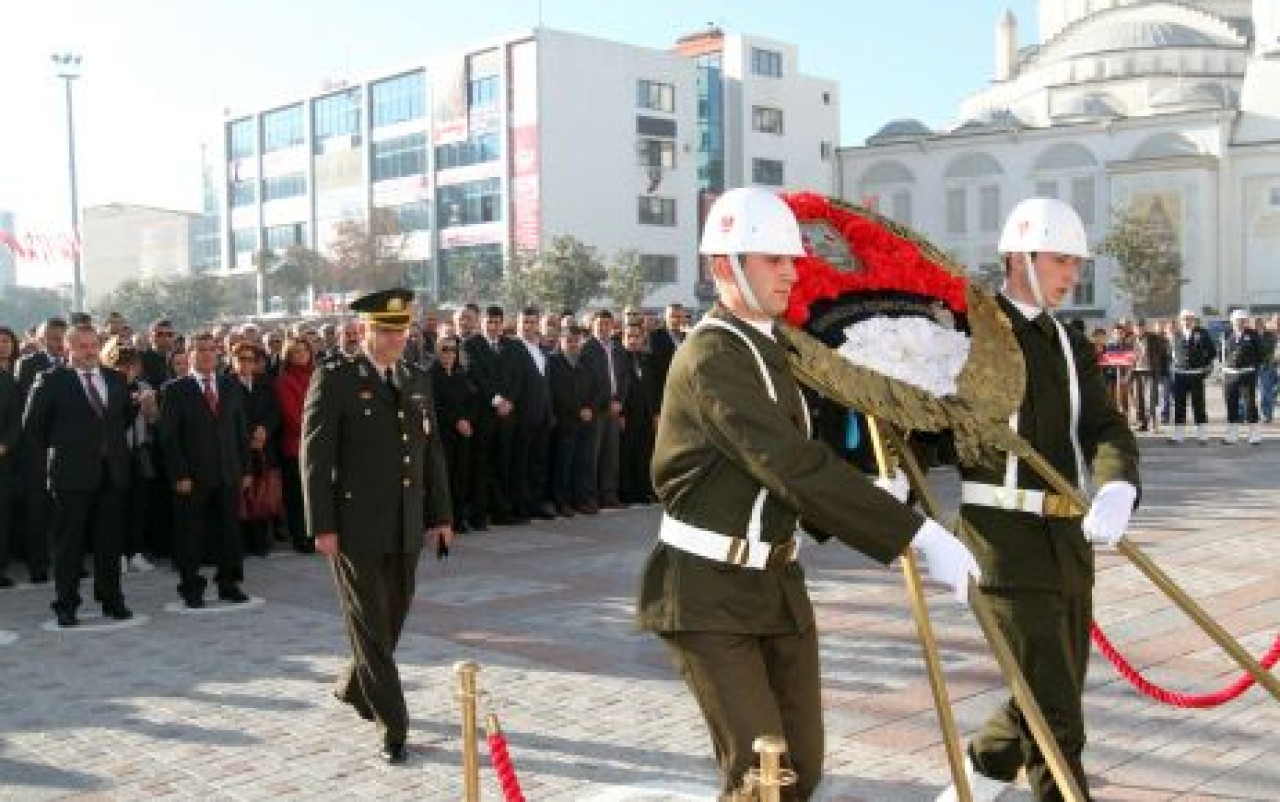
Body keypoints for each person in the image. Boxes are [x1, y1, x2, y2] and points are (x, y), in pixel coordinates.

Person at [637, 187, 980, 801]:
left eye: (792, 259)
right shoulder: (712, 354)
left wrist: (871, 490)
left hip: (776, 588)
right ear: (724, 267)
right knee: (761, 776)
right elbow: (786, 463)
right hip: (708, 592)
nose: (792, 273)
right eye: (774, 259)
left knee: (802, 770)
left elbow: (785, 472)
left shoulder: (769, 348)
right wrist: (916, 533)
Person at [937, 198, 1141, 802]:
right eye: (1061, 260)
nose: (1072, 275)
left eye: (1077, 263)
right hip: (1002, 545)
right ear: (1019, 257)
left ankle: (973, 781)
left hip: (1067, 544)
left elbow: (1104, 424)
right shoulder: (970, 335)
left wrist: (1118, 483)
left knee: (1048, 693)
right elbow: (925, 423)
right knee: (1055, 717)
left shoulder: (1069, 342)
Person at [301, 288, 453, 765]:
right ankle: (394, 727)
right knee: (369, 624)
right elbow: (314, 457)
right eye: (384, 331)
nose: (394, 340)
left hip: (406, 520)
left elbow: (431, 451)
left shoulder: (415, 377)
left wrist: (441, 516)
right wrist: (322, 524)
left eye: (400, 331)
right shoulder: (336, 378)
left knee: (392, 618)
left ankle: (354, 685)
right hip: (355, 524)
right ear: (362, 330)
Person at [22, 325, 135, 626]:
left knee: (109, 544)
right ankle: (66, 604)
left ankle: (111, 599)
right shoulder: (51, 380)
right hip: (70, 476)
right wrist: (63, 452)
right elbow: (34, 427)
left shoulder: (115, 378)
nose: (89, 352)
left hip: (111, 474)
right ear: (68, 348)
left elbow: (123, 418)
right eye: (82, 346)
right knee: (68, 545)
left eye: (93, 345)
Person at [160, 332, 253, 608]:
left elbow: (240, 429)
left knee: (229, 532)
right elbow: (169, 438)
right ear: (189, 355)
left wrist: (246, 468)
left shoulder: (230, 385)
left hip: (228, 472)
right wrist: (180, 474)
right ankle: (191, 587)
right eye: (200, 350)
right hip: (192, 476)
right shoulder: (175, 389)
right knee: (191, 534)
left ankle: (229, 583)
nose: (207, 354)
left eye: (211, 349)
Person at [232, 342, 282, 555]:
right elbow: (229, 417)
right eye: (241, 359)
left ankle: (261, 542)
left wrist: (265, 429)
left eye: (250, 359)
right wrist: (250, 435)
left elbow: (275, 411)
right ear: (233, 361)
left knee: (262, 494)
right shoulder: (226, 384)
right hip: (238, 447)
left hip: (264, 447)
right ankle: (242, 542)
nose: (246, 363)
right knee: (242, 497)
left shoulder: (266, 383)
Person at [581, 310, 631, 509]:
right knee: (592, 456)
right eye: (600, 323)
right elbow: (588, 381)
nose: (603, 327)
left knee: (611, 455)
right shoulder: (587, 349)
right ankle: (589, 498)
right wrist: (602, 402)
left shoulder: (618, 349)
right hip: (595, 408)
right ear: (593, 325)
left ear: (612, 326)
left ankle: (609, 495)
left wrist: (619, 401)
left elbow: (624, 378)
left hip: (614, 408)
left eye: (607, 324)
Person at [428, 335, 478, 534]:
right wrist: (457, 420)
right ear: (437, 352)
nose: (449, 354)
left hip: (462, 434)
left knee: (461, 475)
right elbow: (435, 405)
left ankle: (459, 518)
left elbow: (472, 400)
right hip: (443, 434)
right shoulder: (430, 376)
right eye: (445, 349)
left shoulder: (461, 374)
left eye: (453, 350)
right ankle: (442, 520)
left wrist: (468, 420)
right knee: (443, 478)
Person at [547, 325, 599, 516]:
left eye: (576, 341)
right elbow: (558, 392)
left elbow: (596, 388)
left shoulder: (586, 362)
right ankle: (562, 502)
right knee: (563, 465)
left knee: (582, 463)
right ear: (560, 341)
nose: (573, 344)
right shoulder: (553, 362)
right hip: (565, 421)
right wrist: (578, 410)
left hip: (586, 421)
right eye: (568, 340)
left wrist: (590, 408)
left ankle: (581, 500)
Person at [511, 307, 555, 521]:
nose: (528, 326)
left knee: (539, 462)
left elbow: (546, 385)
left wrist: (550, 413)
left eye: (532, 322)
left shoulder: (542, 350)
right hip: (522, 415)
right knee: (521, 463)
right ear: (518, 324)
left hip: (543, 415)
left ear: (538, 324)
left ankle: (536, 503)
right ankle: (521, 506)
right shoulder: (512, 348)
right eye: (525, 322)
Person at [275, 336, 316, 553]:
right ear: (288, 356)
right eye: (296, 351)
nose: (301, 354)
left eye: (304, 350)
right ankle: (301, 538)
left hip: (319, 446)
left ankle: (316, 534)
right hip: (295, 447)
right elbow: (292, 417)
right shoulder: (284, 381)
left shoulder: (317, 376)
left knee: (315, 494)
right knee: (298, 497)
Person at [619, 320, 658, 504]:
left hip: (646, 415)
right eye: (629, 336)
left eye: (636, 336)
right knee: (626, 455)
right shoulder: (619, 359)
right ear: (623, 338)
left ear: (643, 338)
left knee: (643, 454)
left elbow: (653, 389)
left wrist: (655, 414)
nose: (633, 340)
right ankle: (627, 492)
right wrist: (621, 414)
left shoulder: (647, 359)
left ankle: (643, 491)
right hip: (627, 415)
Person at [1168, 309, 1216, 444]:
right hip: (1180, 375)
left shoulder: (1202, 333)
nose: (1187, 321)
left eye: (1189, 319)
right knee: (1179, 404)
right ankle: (1179, 435)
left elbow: (1212, 352)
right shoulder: (1175, 334)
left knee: (1199, 404)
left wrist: (1204, 366)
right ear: (1180, 320)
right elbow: (1170, 354)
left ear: (1194, 320)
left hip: (1196, 374)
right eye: (1184, 319)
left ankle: (1202, 434)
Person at [1221, 309, 1263, 445]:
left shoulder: (1253, 334)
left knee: (1250, 404)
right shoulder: (1227, 334)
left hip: (1247, 373)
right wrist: (1224, 368)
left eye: (1243, 320)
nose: (1240, 323)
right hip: (1230, 374)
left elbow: (1260, 354)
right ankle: (1232, 435)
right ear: (1232, 321)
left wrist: (1254, 368)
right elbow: (1223, 353)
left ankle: (1254, 434)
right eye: (1237, 320)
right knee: (1231, 403)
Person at [1131, 318, 1169, 433]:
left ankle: (1153, 424)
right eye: (1137, 327)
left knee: (1150, 398)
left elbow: (1163, 353)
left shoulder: (1154, 338)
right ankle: (1142, 424)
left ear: (1145, 328)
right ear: (1134, 329)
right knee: (1139, 399)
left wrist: (1162, 369)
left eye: (1141, 327)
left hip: (1150, 372)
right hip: (1136, 372)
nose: (1139, 329)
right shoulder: (1131, 340)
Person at [1259, 314, 1278, 425]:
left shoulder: (1271, 335)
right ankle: (1267, 415)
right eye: (1276, 321)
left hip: (1272, 366)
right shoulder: (1267, 335)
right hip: (1268, 367)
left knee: (1270, 392)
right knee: (1266, 392)